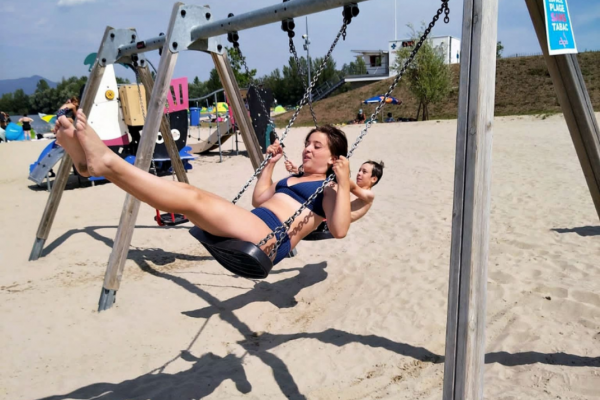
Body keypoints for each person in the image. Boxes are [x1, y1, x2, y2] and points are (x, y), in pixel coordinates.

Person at [55, 109, 352, 266]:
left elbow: (339, 229)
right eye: (307, 143)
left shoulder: (327, 188)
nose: (307, 149)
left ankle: (106, 162)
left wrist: (343, 179)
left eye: (317, 146)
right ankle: (94, 167)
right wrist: (270, 164)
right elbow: (261, 198)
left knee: (190, 196)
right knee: (186, 198)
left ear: (333, 158)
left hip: (269, 238)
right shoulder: (293, 179)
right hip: (254, 222)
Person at [285, 159, 384, 222]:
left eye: (364, 172)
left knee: (331, 184)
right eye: (359, 170)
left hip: (334, 221)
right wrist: (298, 171)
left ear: (373, 179)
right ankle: (298, 172)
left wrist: (339, 170)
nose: (359, 173)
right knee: (327, 184)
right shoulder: (351, 189)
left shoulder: (369, 196)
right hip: (327, 214)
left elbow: (353, 187)